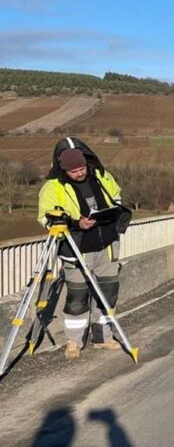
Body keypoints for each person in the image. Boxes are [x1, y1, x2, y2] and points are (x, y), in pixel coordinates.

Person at [37, 138, 125, 360]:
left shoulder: (101, 176)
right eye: (74, 171)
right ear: (64, 170)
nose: (79, 173)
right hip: (76, 248)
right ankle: (74, 342)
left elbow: (116, 197)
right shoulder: (52, 187)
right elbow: (46, 218)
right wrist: (76, 223)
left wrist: (113, 212)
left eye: (82, 168)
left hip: (107, 245)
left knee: (107, 294)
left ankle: (103, 338)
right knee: (77, 298)